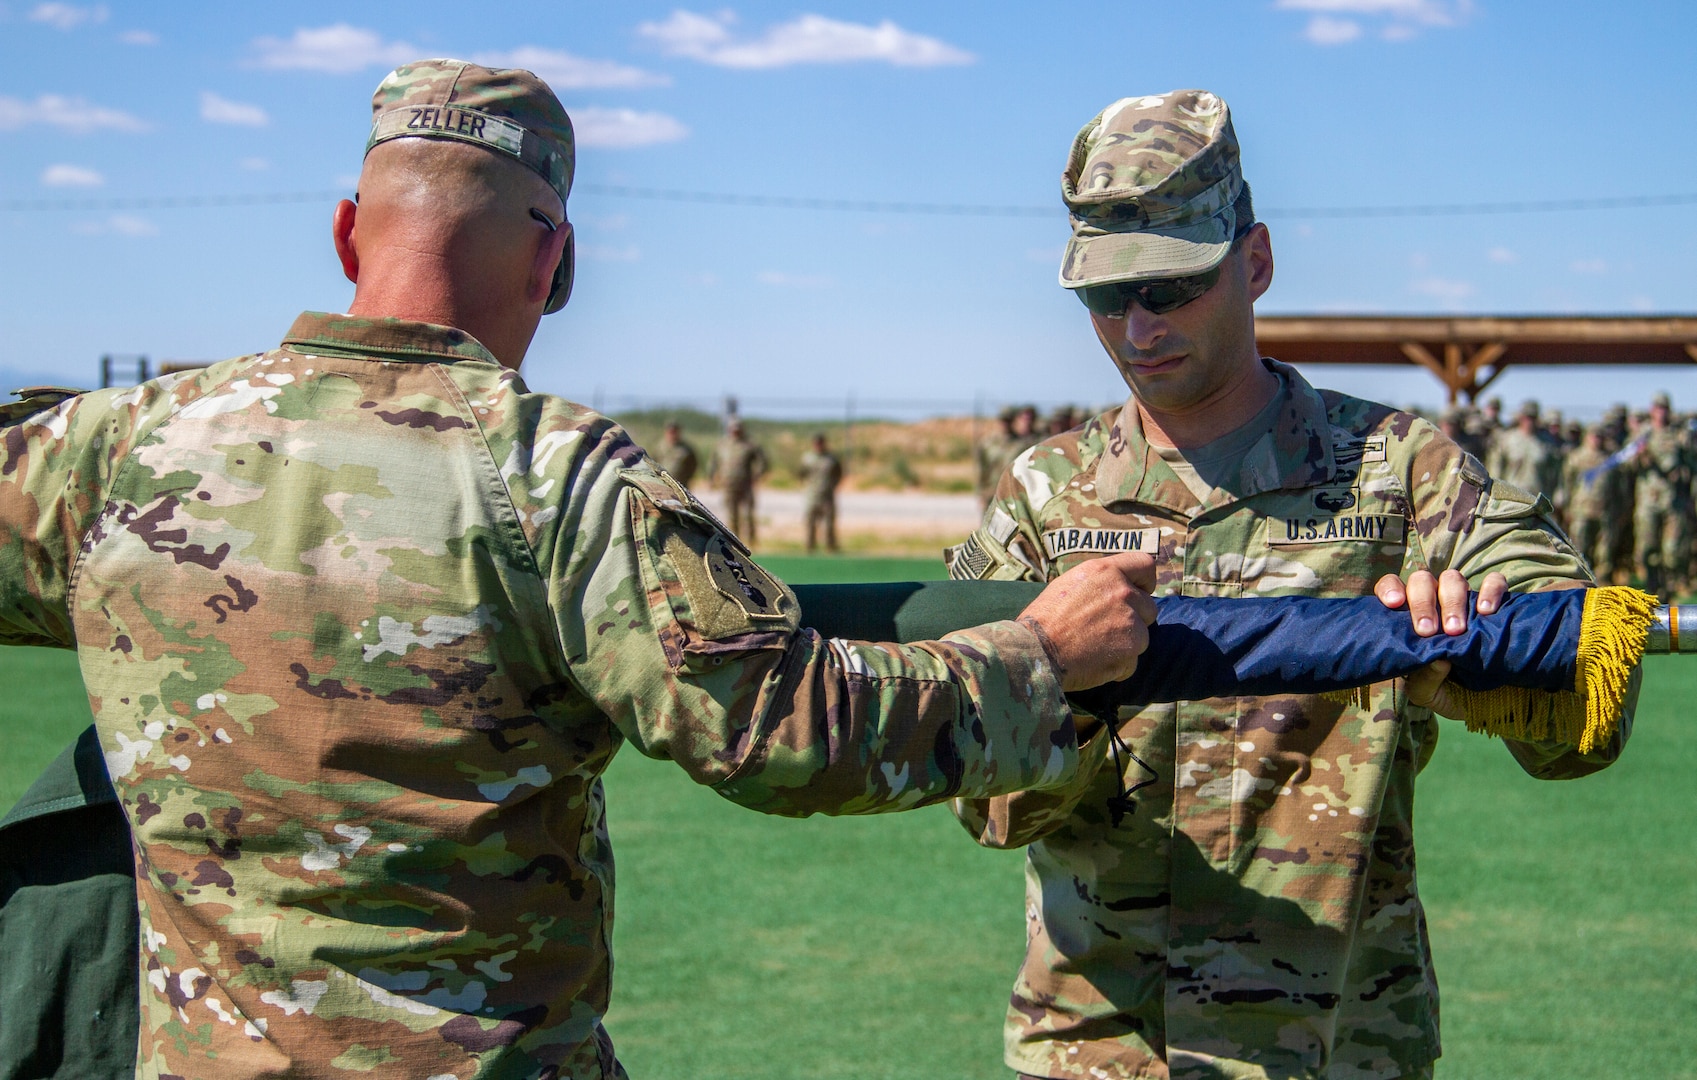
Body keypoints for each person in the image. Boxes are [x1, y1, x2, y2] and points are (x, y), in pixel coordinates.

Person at [0, 59, 1163, 1080]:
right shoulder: (556, 477)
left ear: (349, 233)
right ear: (553, 258)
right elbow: (789, 731)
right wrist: (1036, 657)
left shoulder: (111, 447)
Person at [943, 91, 1635, 1080]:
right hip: (1099, 1048)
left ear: (1253, 261)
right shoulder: (1042, 496)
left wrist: (1469, 666)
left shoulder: (1403, 473)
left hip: (1339, 1045)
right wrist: (1061, 678)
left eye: (1172, 287)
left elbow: (1584, 714)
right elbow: (987, 807)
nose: (1137, 329)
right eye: (1105, 298)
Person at [1632, 390, 1693, 596]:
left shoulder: (1678, 435)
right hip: (1648, 502)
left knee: (1672, 551)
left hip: (1672, 502)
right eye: (1658, 408)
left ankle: (1669, 590)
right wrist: (1639, 456)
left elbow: (1691, 465)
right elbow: (1626, 466)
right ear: (1652, 410)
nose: (1661, 412)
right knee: (1648, 549)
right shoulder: (1642, 434)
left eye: (1665, 408)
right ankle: (1651, 587)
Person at [1560, 424, 1622, 579]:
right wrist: (1567, 506)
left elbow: (1619, 486)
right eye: (1593, 436)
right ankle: (1580, 578)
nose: (1596, 440)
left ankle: (1602, 579)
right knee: (1580, 546)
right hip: (1581, 509)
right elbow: (1567, 483)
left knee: (1604, 550)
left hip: (1605, 510)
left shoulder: (1610, 460)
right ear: (1587, 437)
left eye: (1600, 437)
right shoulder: (1576, 457)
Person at [710, 417, 768, 543]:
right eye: (733, 429)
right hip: (728, 485)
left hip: (745, 485)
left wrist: (757, 475)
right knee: (732, 515)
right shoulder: (722, 445)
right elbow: (714, 462)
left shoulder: (750, 444)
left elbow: (762, 462)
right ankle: (735, 542)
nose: (735, 432)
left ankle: (752, 541)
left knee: (748, 514)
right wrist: (712, 477)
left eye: (738, 429)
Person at [799, 431, 844, 553]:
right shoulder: (807, 458)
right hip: (812, 496)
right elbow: (801, 473)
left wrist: (833, 485)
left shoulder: (831, 459)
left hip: (827, 496)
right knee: (810, 523)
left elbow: (839, 474)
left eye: (821, 443)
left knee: (829, 524)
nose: (818, 445)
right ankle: (810, 548)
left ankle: (831, 548)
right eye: (816, 443)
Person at [655, 419, 699, 486]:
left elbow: (693, 466)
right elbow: (652, 463)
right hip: (662, 485)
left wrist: (685, 478)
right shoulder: (659, 448)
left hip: (680, 485)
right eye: (670, 432)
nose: (672, 435)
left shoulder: (686, 449)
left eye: (674, 432)